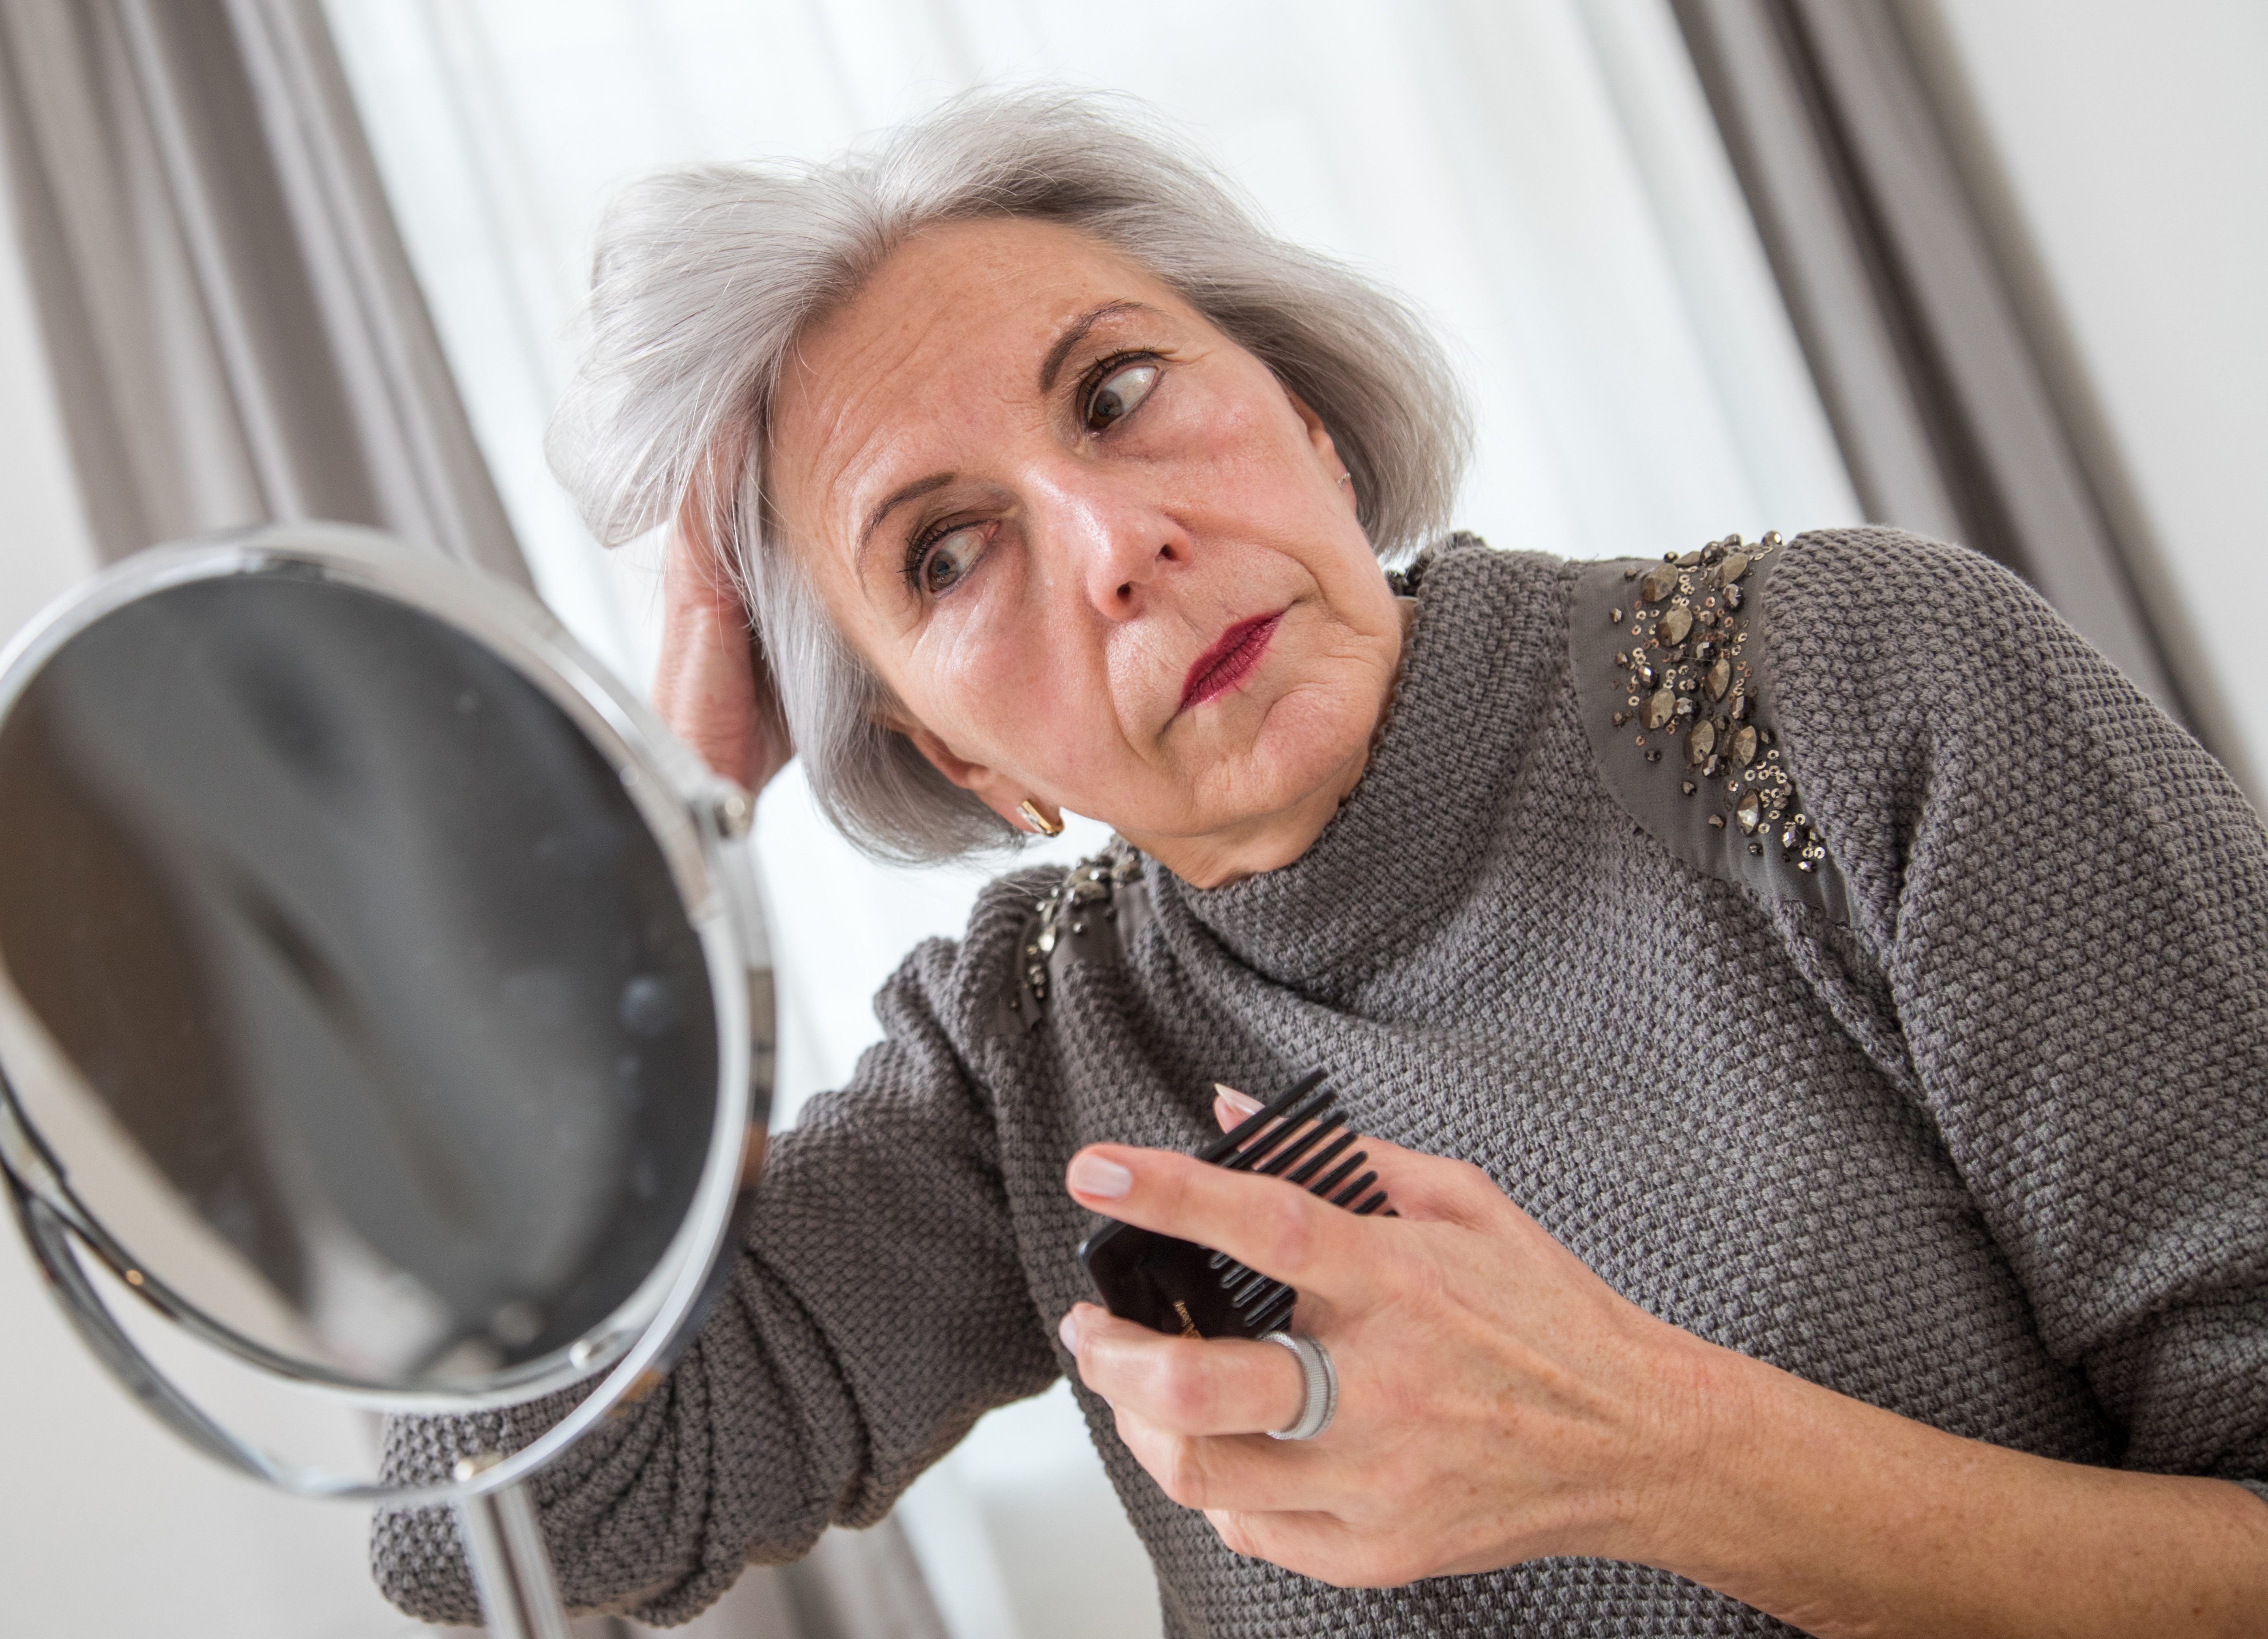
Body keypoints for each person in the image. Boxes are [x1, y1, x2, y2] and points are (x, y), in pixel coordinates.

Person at [371, 90, 2268, 1637]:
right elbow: (494, 1531)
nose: (1110, 543)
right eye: (946, 554)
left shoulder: (1841, 686)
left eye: (1114, 393)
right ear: (957, 755)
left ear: (1303, 413)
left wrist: (1656, 1454)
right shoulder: (1026, 1054)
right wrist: (635, 847)